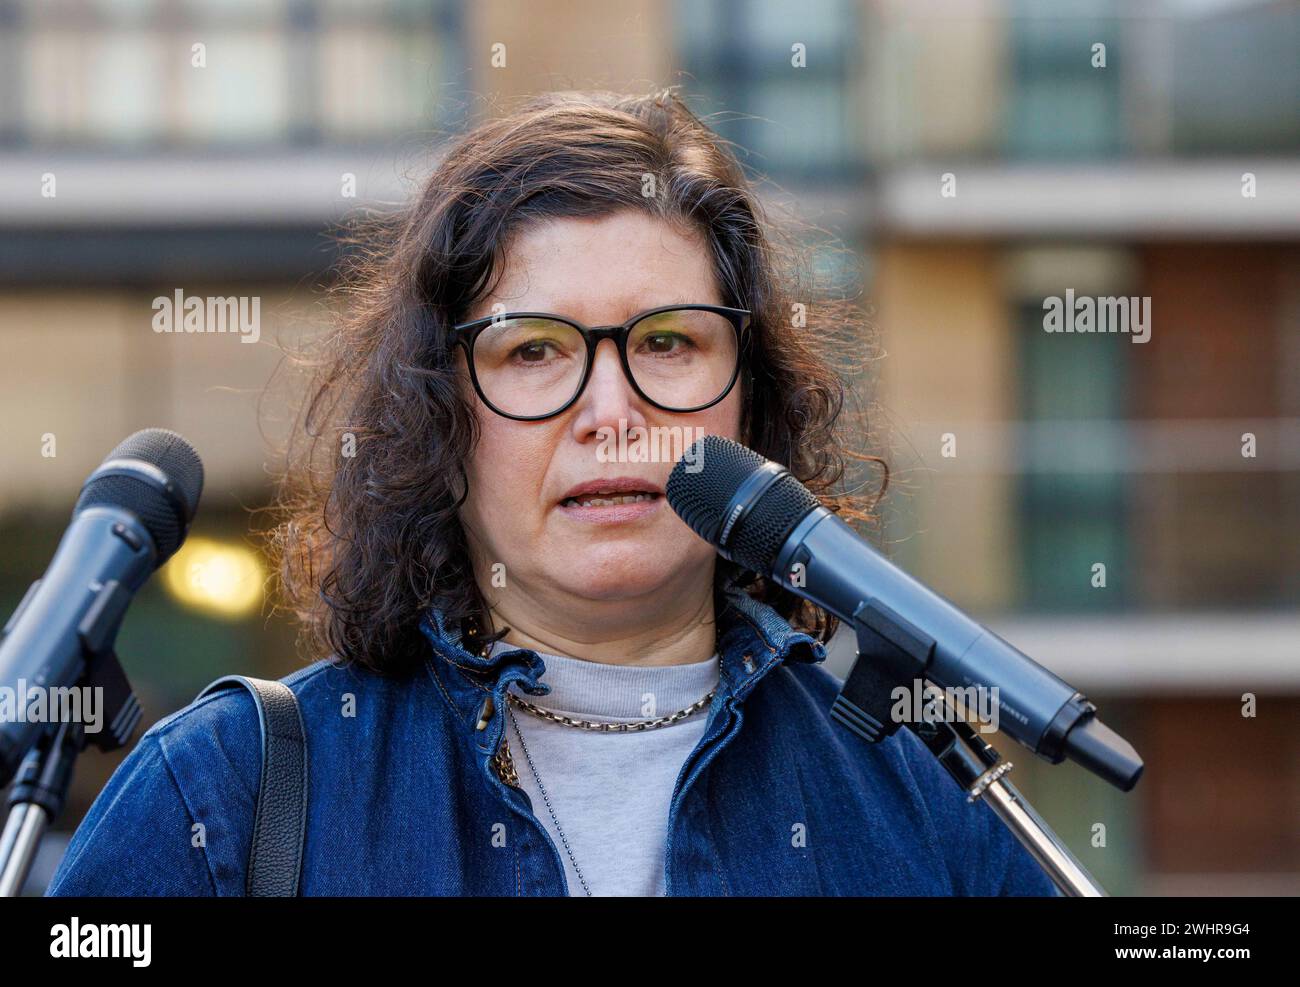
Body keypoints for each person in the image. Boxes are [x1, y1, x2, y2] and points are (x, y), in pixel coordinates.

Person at [47, 90, 1056, 896]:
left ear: (750, 399)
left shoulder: (927, 797)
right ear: (443, 420)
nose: (610, 410)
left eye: (667, 342)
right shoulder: (223, 794)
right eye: (535, 351)